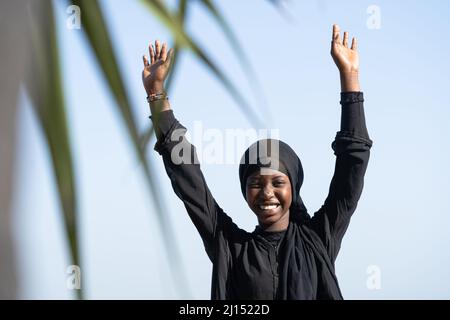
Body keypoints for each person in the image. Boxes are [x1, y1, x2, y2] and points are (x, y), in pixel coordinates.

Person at [141, 24, 372, 300]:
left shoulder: (319, 239)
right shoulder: (230, 246)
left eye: (278, 182)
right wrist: (156, 93)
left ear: (293, 186)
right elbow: (188, 178)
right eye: (256, 183)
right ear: (244, 188)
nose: (267, 193)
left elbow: (352, 164)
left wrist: (350, 77)